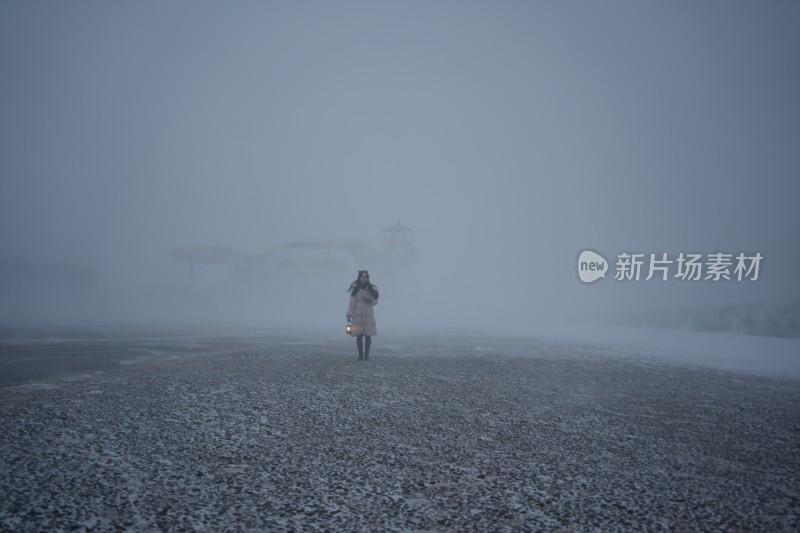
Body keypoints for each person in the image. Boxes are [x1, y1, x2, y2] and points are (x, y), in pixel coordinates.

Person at [346, 270, 378, 361]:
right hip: (357, 316)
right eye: (362, 277)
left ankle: (366, 355)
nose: (363, 278)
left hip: (368, 315)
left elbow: (375, 302)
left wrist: (370, 300)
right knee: (359, 335)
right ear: (359, 278)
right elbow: (352, 303)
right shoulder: (356, 289)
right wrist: (349, 314)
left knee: (368, 336)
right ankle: (360, 356)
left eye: (365, 277)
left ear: (367, 278)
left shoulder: (372, 289)